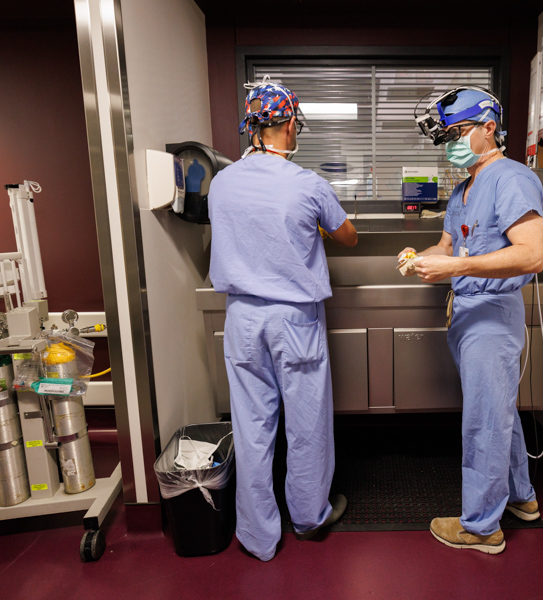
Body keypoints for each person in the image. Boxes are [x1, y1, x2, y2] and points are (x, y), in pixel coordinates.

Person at [208, 79, 357, 561]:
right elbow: (348, 236)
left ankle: (257, 536)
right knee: (307, 423)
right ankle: (310, 517)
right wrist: (316, 223)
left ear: (252, 127)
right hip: (294, 320)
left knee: (251, 427)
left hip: (242, 318)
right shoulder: (307, 184)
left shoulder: (221, 181)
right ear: (290, 125)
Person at [399, 87, 543, 554]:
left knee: (484, 421)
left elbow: (532, 255)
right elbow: (447, 247)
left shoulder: (512, 178)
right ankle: (522, 499)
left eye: (459, 133)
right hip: (465, 315)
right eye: (448, 137)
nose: (452, 145)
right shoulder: (463, 189)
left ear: (489, 128)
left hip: (491, 319)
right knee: (499, 411)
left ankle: (482, 527)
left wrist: (455, 268)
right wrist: (419, 258)